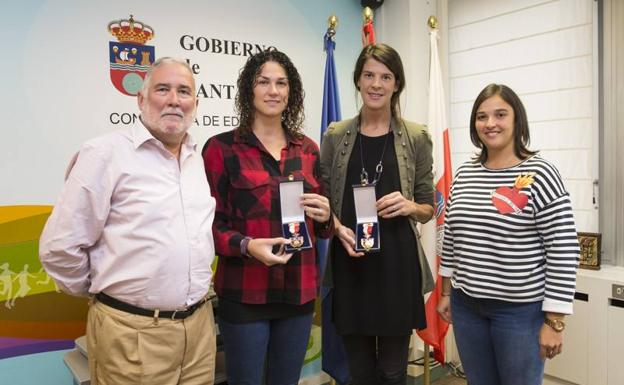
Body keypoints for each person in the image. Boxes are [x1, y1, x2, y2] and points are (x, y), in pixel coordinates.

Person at [39, 57, 217, 385]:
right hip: (131, 334)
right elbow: (60, 248)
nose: (174, 100)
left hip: (199, 331)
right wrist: (110, 298)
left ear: (196, 102)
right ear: (141, 98)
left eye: (184, 91)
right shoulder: (104, 153)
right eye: (163, 89)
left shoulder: (195, 158)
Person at [202, 49, 332, 385]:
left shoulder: (308, 149)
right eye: (263, 82)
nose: (273, 90)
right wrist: (246, 245)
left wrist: (326, 214)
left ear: (291, 92)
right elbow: (207, 226)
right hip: (245, 291)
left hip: (299, 291)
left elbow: (324, 225)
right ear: (249, 90)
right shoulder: (221, 148)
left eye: (281, 83)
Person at [436, 83, 580, 385]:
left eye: (500, 114)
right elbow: (451, 237)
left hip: (520, 313)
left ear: (517, 120)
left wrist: (555, 321)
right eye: (481, 116)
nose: (490, 123)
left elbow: (563, 247)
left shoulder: (540, 172)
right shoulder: (465, 174)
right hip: (466, 307)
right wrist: (447, 291)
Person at [320, 43, 435, 385]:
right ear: (357, 80)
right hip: (351, 263)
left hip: (396, 269)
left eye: (386, 76)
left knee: (392, 371)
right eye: (369, 75)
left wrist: (410, 206)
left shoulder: (416, 137)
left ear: (396, 84)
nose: (376, 84)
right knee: (359, 372)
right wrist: (338, 228)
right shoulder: (335, 135)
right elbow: (323, 200)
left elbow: (430, 207)